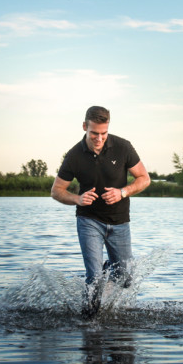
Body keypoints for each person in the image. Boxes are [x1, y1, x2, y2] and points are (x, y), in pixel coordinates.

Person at [51, 106, 150, 315]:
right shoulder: (74, 155)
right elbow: (56, 191)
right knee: (94, 277)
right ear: (85, 127)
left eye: (103, 133)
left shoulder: (123, 147)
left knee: (124, 278)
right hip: (89, 221)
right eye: (94, 133)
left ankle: (107, 274)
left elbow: (144, 178)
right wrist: (77, 198)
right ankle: (90, 321)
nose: (99, 138)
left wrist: (122, 192)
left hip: (119, 221)